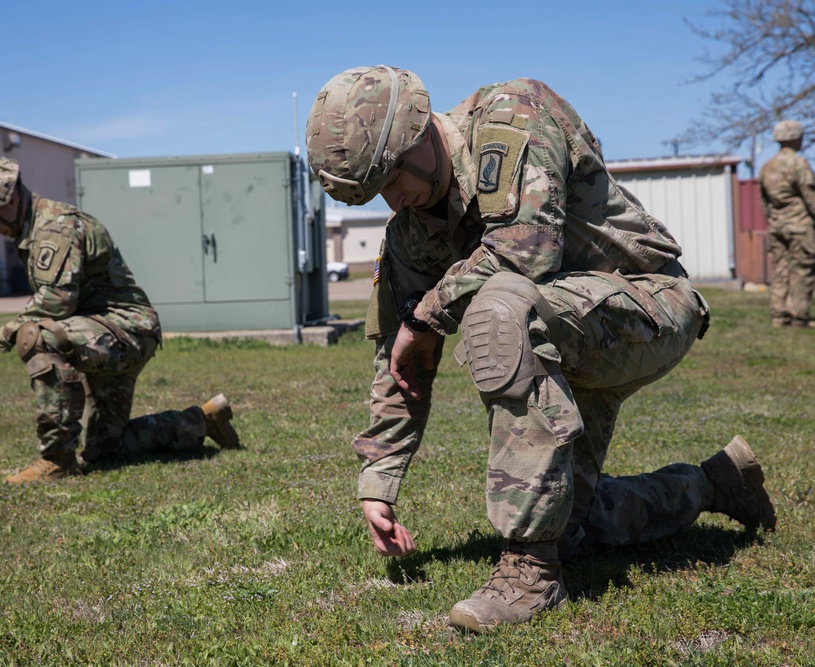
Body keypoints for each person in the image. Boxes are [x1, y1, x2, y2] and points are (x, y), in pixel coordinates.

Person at [306, 66, 776, 633]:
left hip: (648, 306)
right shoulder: (410, 230)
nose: (392, 200)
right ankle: (714, 483)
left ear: (419, 134)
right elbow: (398, 360)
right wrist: (379, 481)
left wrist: (427, 316)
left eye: (391, 178)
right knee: (571, 524)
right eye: (375, 194)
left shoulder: (510, 117)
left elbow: (523, 253)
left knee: (498, 308)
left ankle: (529, 573)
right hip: (556, 337)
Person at [0, 153, 240, 483]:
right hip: (104, 331)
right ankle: (203, 421)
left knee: (37, 336)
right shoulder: (38, 228)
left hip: (125, 330)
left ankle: (56, 460)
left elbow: (55, 303)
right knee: (104, 448)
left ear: (11, 198)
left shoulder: (56, 228)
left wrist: (0, 336)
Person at [758, 120, 815, 328]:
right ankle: (799, 317)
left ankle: (779, 316)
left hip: (777, 227)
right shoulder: (798, 164)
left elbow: (763, 201)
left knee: (780, 269)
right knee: (802, 269)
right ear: (794, 137)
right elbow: (810, 195)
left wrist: (773, 221)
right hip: (800, 227)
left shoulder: (766, 167)